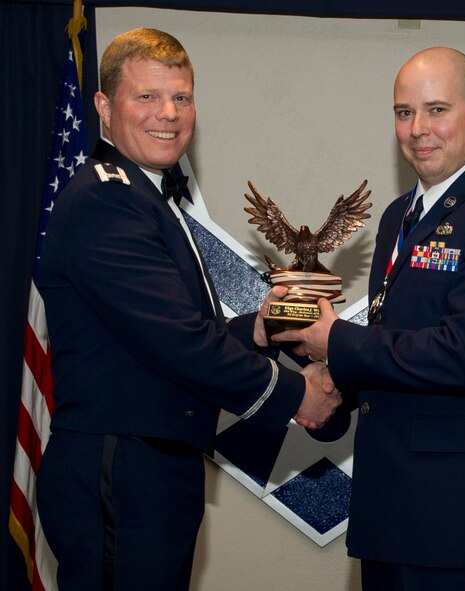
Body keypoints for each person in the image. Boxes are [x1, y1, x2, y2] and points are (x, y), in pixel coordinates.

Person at [36, 28, 340, 591]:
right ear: (103, 106)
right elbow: (180, 344)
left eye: (181, 97)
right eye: (146, 97)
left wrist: (262, 327)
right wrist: (299, 394)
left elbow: (175, 333)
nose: (169, 114)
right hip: (123, 467)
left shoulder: (143, 195)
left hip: (146, 467)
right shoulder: (107, 199)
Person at [273, 47, 465, 589]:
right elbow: (395, 344)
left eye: (437, 109)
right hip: (391, 511)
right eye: (405, 112)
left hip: (462, 522)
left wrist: (338, 344)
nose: (418, 128)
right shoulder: (400, 216)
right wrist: (330, 383)